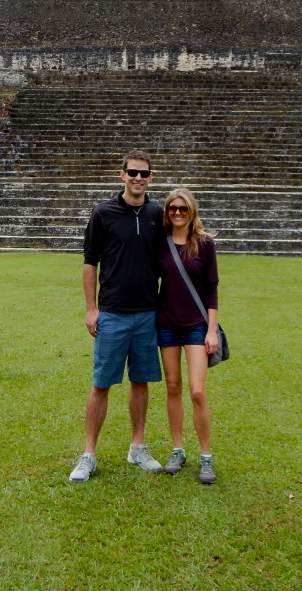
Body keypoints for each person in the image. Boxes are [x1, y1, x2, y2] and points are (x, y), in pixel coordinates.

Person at [69, 150, 166, 482]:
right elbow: (89, 262)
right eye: (133, 172)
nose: (138, 178)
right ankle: (89, 453)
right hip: (112, 312)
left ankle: (137, 447)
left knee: (141, 381)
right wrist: (91, 308)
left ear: (151, 177)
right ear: (121, 174)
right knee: (101, 383)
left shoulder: (158, 213)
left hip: (147, 313)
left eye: (144, 173)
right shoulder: (103, 213)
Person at [156, 187, 220, 484]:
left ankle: (206, 456)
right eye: (172, 208)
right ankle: (178, 449)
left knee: (196, 390)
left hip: (196, 324)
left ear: (191, 211)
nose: (178, 213)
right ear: (167, 212)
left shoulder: (204, 243)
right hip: (166, 323)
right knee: (172, 387)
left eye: (183, 208)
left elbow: (211, 288)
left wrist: (211, 330)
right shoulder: (161, 242)